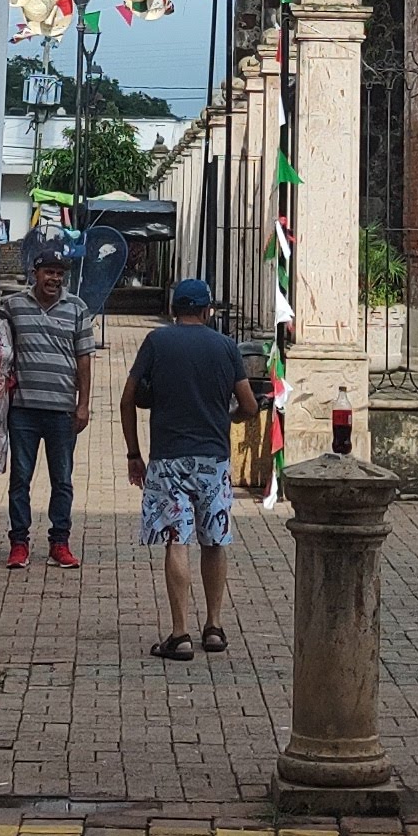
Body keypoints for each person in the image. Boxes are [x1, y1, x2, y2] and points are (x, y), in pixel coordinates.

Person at [120, 278, 257, 661]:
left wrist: (134, 453)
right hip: (213, 459)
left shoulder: (156, 343)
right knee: (215, 540)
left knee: (176, 541)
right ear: (207, 310)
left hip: (168, 459)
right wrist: (225, 416)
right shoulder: (226, 347)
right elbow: (249, 406)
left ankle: (179, 633)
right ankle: (213, 627)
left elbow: (128, 399)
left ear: (174, 309)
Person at [0, 241, 99, 569]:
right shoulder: (13, 306)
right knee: (20, 478)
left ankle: (60, 542)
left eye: (60, 273)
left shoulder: (77, 309)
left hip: (62, 411)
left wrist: (83, 405)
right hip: (24, 409)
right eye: (49, 272)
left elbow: (84, 359)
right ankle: (18, 543)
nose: (54, 279)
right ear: (35, 273)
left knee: (63, 479)